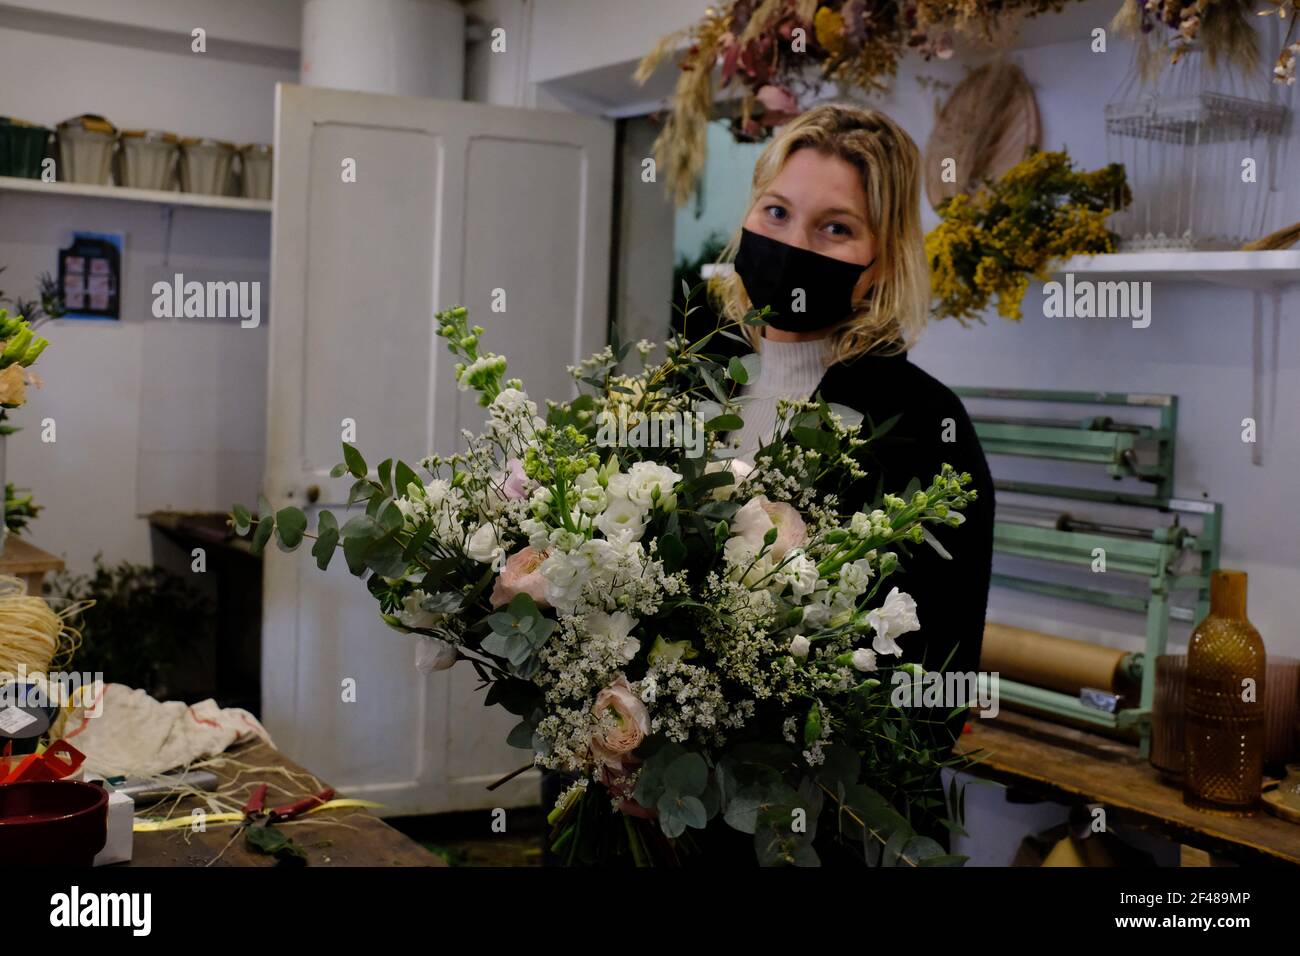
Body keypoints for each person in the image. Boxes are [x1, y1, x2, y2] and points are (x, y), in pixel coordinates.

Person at [710, 102, 996, 760]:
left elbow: (936, 686)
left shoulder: (926, 426)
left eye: (834, 228)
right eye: (776, 213)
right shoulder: (691, 377)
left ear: (884, 260)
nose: (791, 246)